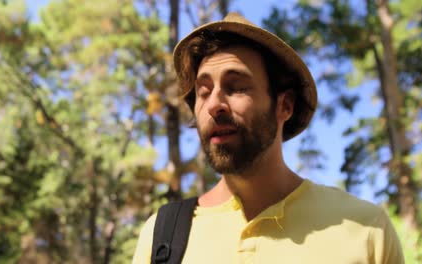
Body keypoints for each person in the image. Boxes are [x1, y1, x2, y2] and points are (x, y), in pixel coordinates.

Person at [133, 13, 404, 263]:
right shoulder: (160, 237)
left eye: (236, 87)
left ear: (285, 105)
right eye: (203, 91)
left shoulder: (366, 230)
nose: (214, 104)